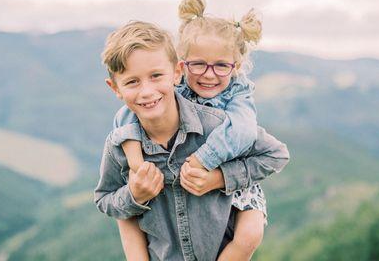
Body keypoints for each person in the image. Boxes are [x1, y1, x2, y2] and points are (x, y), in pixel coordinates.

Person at [94, 20, 289, 260]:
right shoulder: (119, 145)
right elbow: (106, 199)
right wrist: (134, 195)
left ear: (177, 73)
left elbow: (275, 154)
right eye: (133, 81)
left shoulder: (217, 124)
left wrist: (219, 177)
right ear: (115, 88)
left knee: (249, 235)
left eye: (156, 76)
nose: (146, 91)